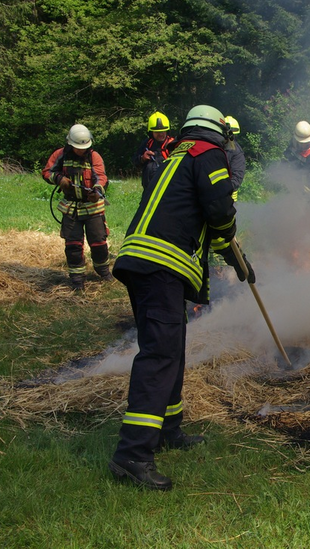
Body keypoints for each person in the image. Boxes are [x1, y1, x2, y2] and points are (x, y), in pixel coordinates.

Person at [109, 105, 253, 491]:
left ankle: (167, 429)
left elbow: (202, 218)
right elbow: (220, 211)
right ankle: (132, 455)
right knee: (159, 356)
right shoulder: (208, 153)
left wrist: (235, 258)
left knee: (171, 349)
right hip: (160, 266)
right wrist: (231, 238)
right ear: (218, 131)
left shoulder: (176, 156)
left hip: (142, 261)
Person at [42, 124, 111, 291]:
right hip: (71, 208)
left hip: (93, 208)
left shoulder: (94, 157)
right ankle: (77, 279)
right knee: (73, 244)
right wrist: (59, 179)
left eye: (84, 147)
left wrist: (97, 191)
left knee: (99, 242)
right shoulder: (60, 155)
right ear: (70, 144)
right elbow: (47, 172)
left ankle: (103, 271)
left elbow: (101, 177)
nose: (82, 150)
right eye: (78, 148)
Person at [131, 111, 174, 190]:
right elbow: (134, 161)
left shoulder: (173, 145)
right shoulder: (147, 144)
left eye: (162, 131)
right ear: (151, 132)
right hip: (148, 189)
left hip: (168, 190)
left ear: (167, 131)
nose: (160, 134)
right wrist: (142, 158)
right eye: (157, 132)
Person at [284, 120, 310, 197]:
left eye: (305, 143)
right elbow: (288, 156)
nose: (302, 145)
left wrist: (301, 177)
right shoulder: (294, 142)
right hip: (300, 183)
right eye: (300, 142)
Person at [223, 115, 246, 201]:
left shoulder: (236, 152)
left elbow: (236, 179)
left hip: (228, 199)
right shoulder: (217, 147)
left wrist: (219, 190)